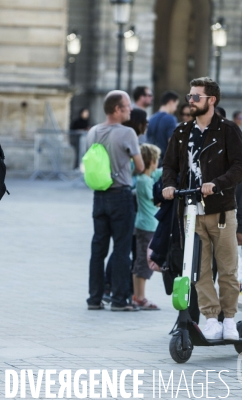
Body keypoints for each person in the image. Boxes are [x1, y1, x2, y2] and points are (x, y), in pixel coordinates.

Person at [162, 77, 242, 340]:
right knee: (198, 271)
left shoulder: (228, 130)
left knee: (227, 269)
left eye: (196, 97)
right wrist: (168, 185)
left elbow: (240, 166)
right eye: (189, 96)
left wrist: (218, 184)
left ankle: (230, 320)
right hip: (190, 212)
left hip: (221, 211)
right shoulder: (181, 133)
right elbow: (170, 166)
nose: (191, 101)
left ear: (211, 100)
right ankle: (211, 318)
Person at [86, 90, 144, 312]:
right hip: (120, 195)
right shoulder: (128, 133)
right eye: (127, 106)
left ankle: (94, 298)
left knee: (98, 248)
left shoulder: (92, 131)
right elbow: (139, 166)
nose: (130, 110)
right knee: (121, 248)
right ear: (117, 109)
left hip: (98, 196)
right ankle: (120, 299)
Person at [132, 144, 162, 310]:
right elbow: (155, 200)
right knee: (145, 262)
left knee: (139, 260)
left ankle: (137, 296)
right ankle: (141, 297)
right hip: (148, 226)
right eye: (157, 160)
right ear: (151, 162)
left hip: (143, 225)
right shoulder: (145, 181)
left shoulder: (144, 178)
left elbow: (159, 172)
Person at [146, 91, 179, 165]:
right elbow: (172, 144)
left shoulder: (151, 118)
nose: (175, 109)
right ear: (171, 102)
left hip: (151, 162)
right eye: (176, 105)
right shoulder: (171, 119)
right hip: (164, 162)